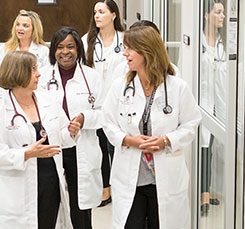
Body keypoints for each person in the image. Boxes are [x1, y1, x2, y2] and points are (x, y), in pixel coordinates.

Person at [102, 26, 201, 229]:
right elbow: (107, 121)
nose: (125, 53)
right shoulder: (120, 86)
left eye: (130, 48)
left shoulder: (177, 87)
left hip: (165, 177)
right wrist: (128, 140)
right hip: (131, 177)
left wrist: (166, 141)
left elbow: (191, 124)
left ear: (146, 51)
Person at [0, 51, 74, 228]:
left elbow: (62, 137)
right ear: (19, 72)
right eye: (33, 70)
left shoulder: (48, 101)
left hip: (50, 185)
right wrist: (26, 154)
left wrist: (71, 131)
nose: (39, 74)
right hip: (17, 191)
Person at [38, 26, 104, 228]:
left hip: (80, 148)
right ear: (53, 51)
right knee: (48, 205)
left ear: (79, 49)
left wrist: (84, 118)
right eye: (59, 47)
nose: (65, 52)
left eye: (70, 47)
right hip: (52, 148)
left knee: (80, 208)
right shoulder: (42, 76)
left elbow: (104, 113)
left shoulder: (92, 77)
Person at [82, 0, 125, 207]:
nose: (97, 16)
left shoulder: (125, 40)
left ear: (113, 15)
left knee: (117, 147)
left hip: (121, 104)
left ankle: (120, 188)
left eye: (102, 12)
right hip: (96, 105)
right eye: (95, 12)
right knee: (100, 147)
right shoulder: (86, 41)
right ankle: (105, 190)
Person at [200, 0, 227, 216]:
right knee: (203, 148)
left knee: (216, 148)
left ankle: (212, 190)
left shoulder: (224, 43)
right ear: (207, 15)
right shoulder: (197, 42)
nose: (223, 17)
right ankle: (203, 194)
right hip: (202, 103)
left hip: (220, 104)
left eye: (223, 13)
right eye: (218, 12)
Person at [113, 20, 179, 77]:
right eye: (125, 47)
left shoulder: (173, 73)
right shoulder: (121, 70)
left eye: (132, 48)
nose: (125, 53)